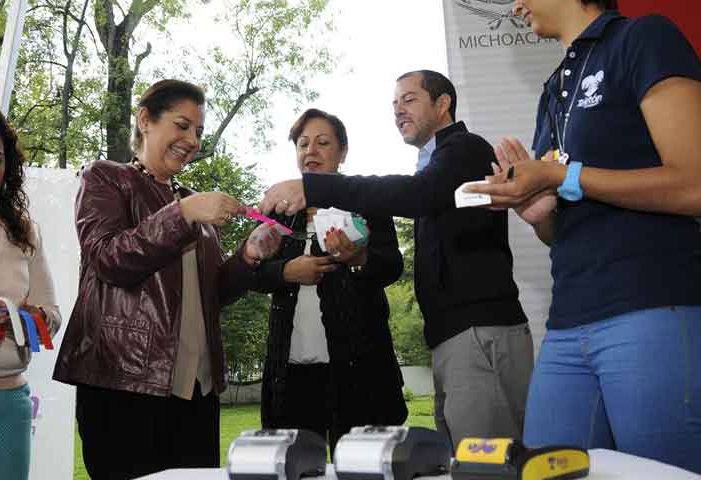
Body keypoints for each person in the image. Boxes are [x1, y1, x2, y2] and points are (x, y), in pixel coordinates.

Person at [465, 0, 701, 473]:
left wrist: (563, 176)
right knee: (542, 467)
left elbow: (693, 185)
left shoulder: (643, 38)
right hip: (568, 321)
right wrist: (538, 215)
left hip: (651, 304)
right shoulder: (553, 89)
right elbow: (561, 228)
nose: (516, 4)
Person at [259, 71, 534, 450]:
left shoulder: (465, 149)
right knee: (465, 458)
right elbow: (252, 272)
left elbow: (414, 203)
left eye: (409, 99)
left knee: (487, 460)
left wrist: (354, 250)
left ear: (443, 103)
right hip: (452, 337)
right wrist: (283, 270)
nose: (398, 110)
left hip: (475, 332)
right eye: (394, 103)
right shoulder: (433, 164)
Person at [52, 79, 280, 479]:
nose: (192, 140)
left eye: (199, 131)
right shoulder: (105, 178)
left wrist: (248, 256)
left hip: (197, 391)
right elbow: (108, 258)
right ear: (145, 120)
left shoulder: (190, 201)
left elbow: (212, 295)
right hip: (125, 384)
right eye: (182, 125)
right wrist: (184, 213)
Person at [253, 108, 407, 454]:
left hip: (360, 371)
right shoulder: (277, 209)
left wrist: (358, 258)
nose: (310, 151)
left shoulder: (367, 201)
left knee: (364, 468)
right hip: (290, 376)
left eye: (322, 143)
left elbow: (392, 266)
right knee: (292, 468)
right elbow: (254, 271)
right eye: (302, 144)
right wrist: (286, 272)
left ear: (343, 152)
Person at [0, 102, 61, 480]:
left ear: (8, 165)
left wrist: (22, 320)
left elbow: (51, 315)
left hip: (9, 406)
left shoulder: (24, 232)